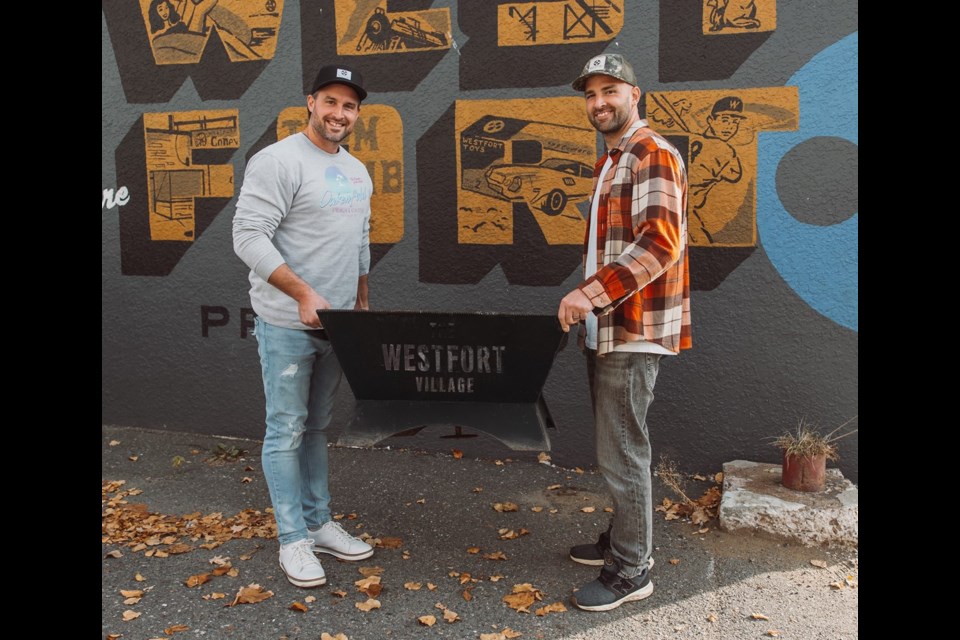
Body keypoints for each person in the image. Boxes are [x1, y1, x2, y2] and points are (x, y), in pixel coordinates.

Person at [558, 53, 692, 612]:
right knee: (616, 445)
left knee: (623, 452)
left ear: (635, 94)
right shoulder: (613, 159)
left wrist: (586, 294)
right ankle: (622, 542)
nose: (599, 103)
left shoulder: (650, 152)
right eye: (590, 94)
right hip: (608, 325)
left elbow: (661, 243)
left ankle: (632, 570)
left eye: (610, 90)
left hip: (632, 330)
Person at [233, 64, 375, 588]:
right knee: (286, 429)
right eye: (331, 101)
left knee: (316, 427)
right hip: (287, 324)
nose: (340, 113)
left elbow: (360, 239)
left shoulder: (357, 170)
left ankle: (318, 524)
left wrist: (359, 301)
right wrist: (302, 294)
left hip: (337, 326)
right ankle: (292, 538)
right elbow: (247, 236)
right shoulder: (278, 161)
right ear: (310, 102)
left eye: (350, 105)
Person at [688, 96, 746, 243]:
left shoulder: (692, 139)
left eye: (735, 122)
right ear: (710, 120)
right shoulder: (726, 151)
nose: (730, 127)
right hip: (687, 211)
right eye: (724, 120)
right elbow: (734, 174)